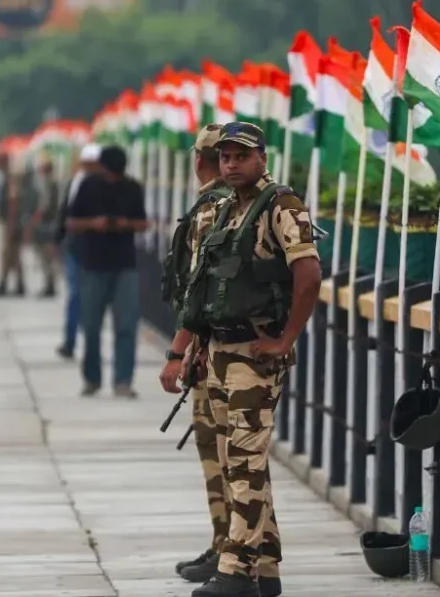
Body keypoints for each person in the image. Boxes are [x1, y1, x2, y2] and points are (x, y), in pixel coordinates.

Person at [170, 122, 322, 597]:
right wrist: (193, 348)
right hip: (219, 349)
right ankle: (267, 566)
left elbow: (309, 274)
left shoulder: (280, 205)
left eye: (241, 156)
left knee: (245, 458)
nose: (232, 164)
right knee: (236, 459)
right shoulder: (224, 211)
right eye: (226, 157)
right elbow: (206, 289)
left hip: (254, 354)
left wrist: (286, 339)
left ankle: (235, 569)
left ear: (262, 158)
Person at [157, 125, 233, 584]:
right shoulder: (245, 207)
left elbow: (197, 293)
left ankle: (233, 552)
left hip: (219, 351)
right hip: (232, 349)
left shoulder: (212, 211)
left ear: (197, 161)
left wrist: (177, 350)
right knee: (238, 461)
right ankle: (233, 550)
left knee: (225, 459)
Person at [66, 145, 148, 398]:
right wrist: (94, 223)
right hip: (93, 263)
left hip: (124, 264)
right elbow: (71, 222)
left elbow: (144, 223)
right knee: (90, 325)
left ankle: (123, 379)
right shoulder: (88, 186)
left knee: (126, 325)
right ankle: (92, 378)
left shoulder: (132, 188)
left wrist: (124, 225)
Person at [55, 143, 102, 359]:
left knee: (92, 299)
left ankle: (90, 343)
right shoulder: (75, 183)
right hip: (75, 248)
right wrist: (59, 239)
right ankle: (70, 340)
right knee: (75, 295)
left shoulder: (104, 185)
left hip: (95, 251)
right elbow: (64, 213)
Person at [0, 150, 27, 297]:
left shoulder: (10, 176)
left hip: (12, 222)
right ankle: (19, 284)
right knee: (14, 254)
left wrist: (11, 224)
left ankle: (4, 284)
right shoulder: (9, 175)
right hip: (13, 221)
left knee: (7, 254)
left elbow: (13, 200)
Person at [26, 152, 61, 298]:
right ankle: (49, 283)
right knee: (47, 257)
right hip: (50, 223)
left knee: (46, 256)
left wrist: (34, 221)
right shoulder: (51, 183)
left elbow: (44, 205)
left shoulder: (48, 184)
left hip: (46, 224)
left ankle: (50, 284)